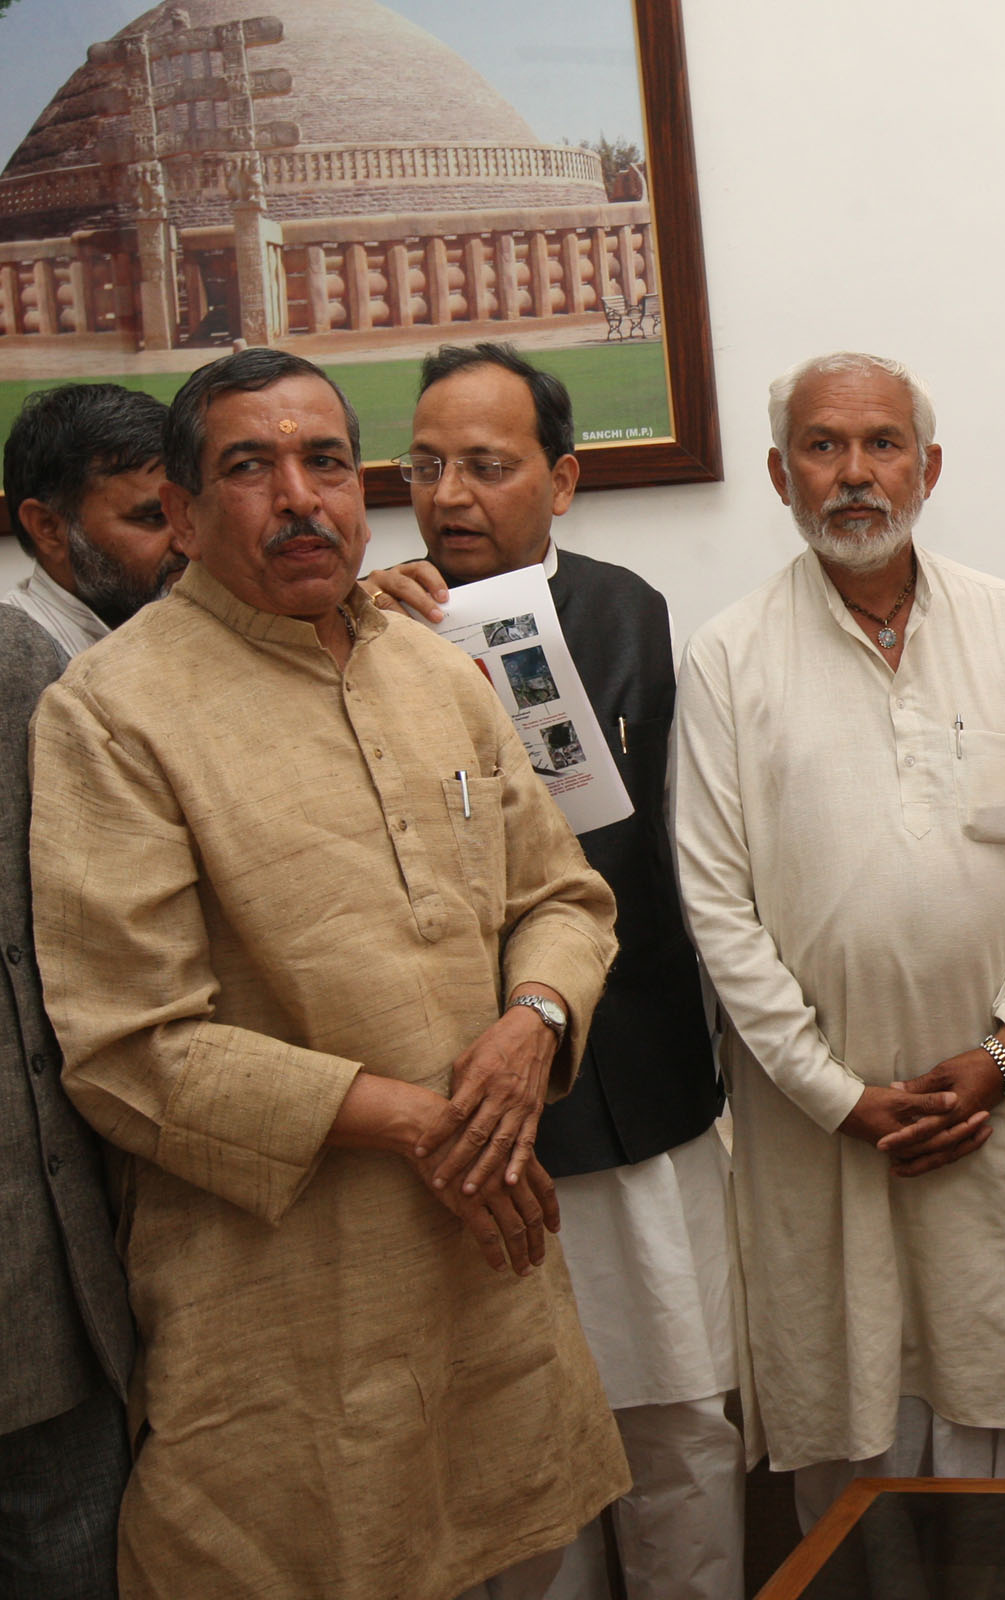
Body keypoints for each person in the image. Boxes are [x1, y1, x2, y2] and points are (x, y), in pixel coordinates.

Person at [29, 348, 627, 1600]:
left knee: (521, 1549)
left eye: (322, 462)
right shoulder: (111, 711)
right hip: (291, 1311)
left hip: (494, 1280)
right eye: (250, 466)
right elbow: (134, 1050)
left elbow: (561, 895)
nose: (299, 495)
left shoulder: (433, 671)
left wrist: (532, 1021)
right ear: (184, 515)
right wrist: (421, 1123)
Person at [674, 352, 1005, 1526]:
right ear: (781, 474)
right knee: (856, 1450)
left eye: (883, 444)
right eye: (825, 446)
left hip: (1004, 1118)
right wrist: (841, 1096)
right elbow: (715, 908)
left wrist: (1004, 1055)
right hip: (824, 1141)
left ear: (930, 466)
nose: (856, 473)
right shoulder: (730, 657)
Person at [362, 343, 740, 1600]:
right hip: (469, 1104)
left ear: (563, 477)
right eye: (425, 466)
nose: (451, 494)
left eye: (487, 464)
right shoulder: (355, 631)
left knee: (678, 1412)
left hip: (633, 1078)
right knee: (515, 1446)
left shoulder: (630, 609)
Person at [0, 385, 177, 1598]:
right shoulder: (28, 680)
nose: (178, 542)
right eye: (144, 517)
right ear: (46, 530)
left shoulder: (118, 655)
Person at [3, 383, 184, 662]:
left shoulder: (191, 621)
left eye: (189, 511)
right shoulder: (13, 660)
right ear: (47, 528)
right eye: (153, 518)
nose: (187, 542)